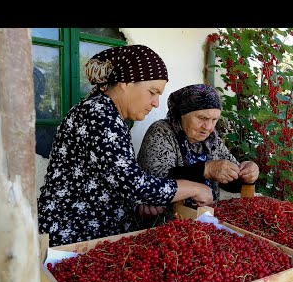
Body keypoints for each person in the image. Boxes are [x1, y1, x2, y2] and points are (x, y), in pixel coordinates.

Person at [37, 45, 214, 247]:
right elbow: (132, 183)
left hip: (93, 238)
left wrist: (136, 205)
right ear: (125, 83)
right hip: (73, 240)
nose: (156, 103)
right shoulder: (99, 115)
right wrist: (193, 188)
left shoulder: (107, 113)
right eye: (152, 92)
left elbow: (112, 178)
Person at [136, 83, 259, 222]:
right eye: (202, 118)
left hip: (204, 222)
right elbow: (157, 180)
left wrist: (248, 174)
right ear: (183, 115)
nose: (208, 127)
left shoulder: (212, 139)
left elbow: (231, 181)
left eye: (214, 120)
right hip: (166, 224)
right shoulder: (161, 131)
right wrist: (206, 169)